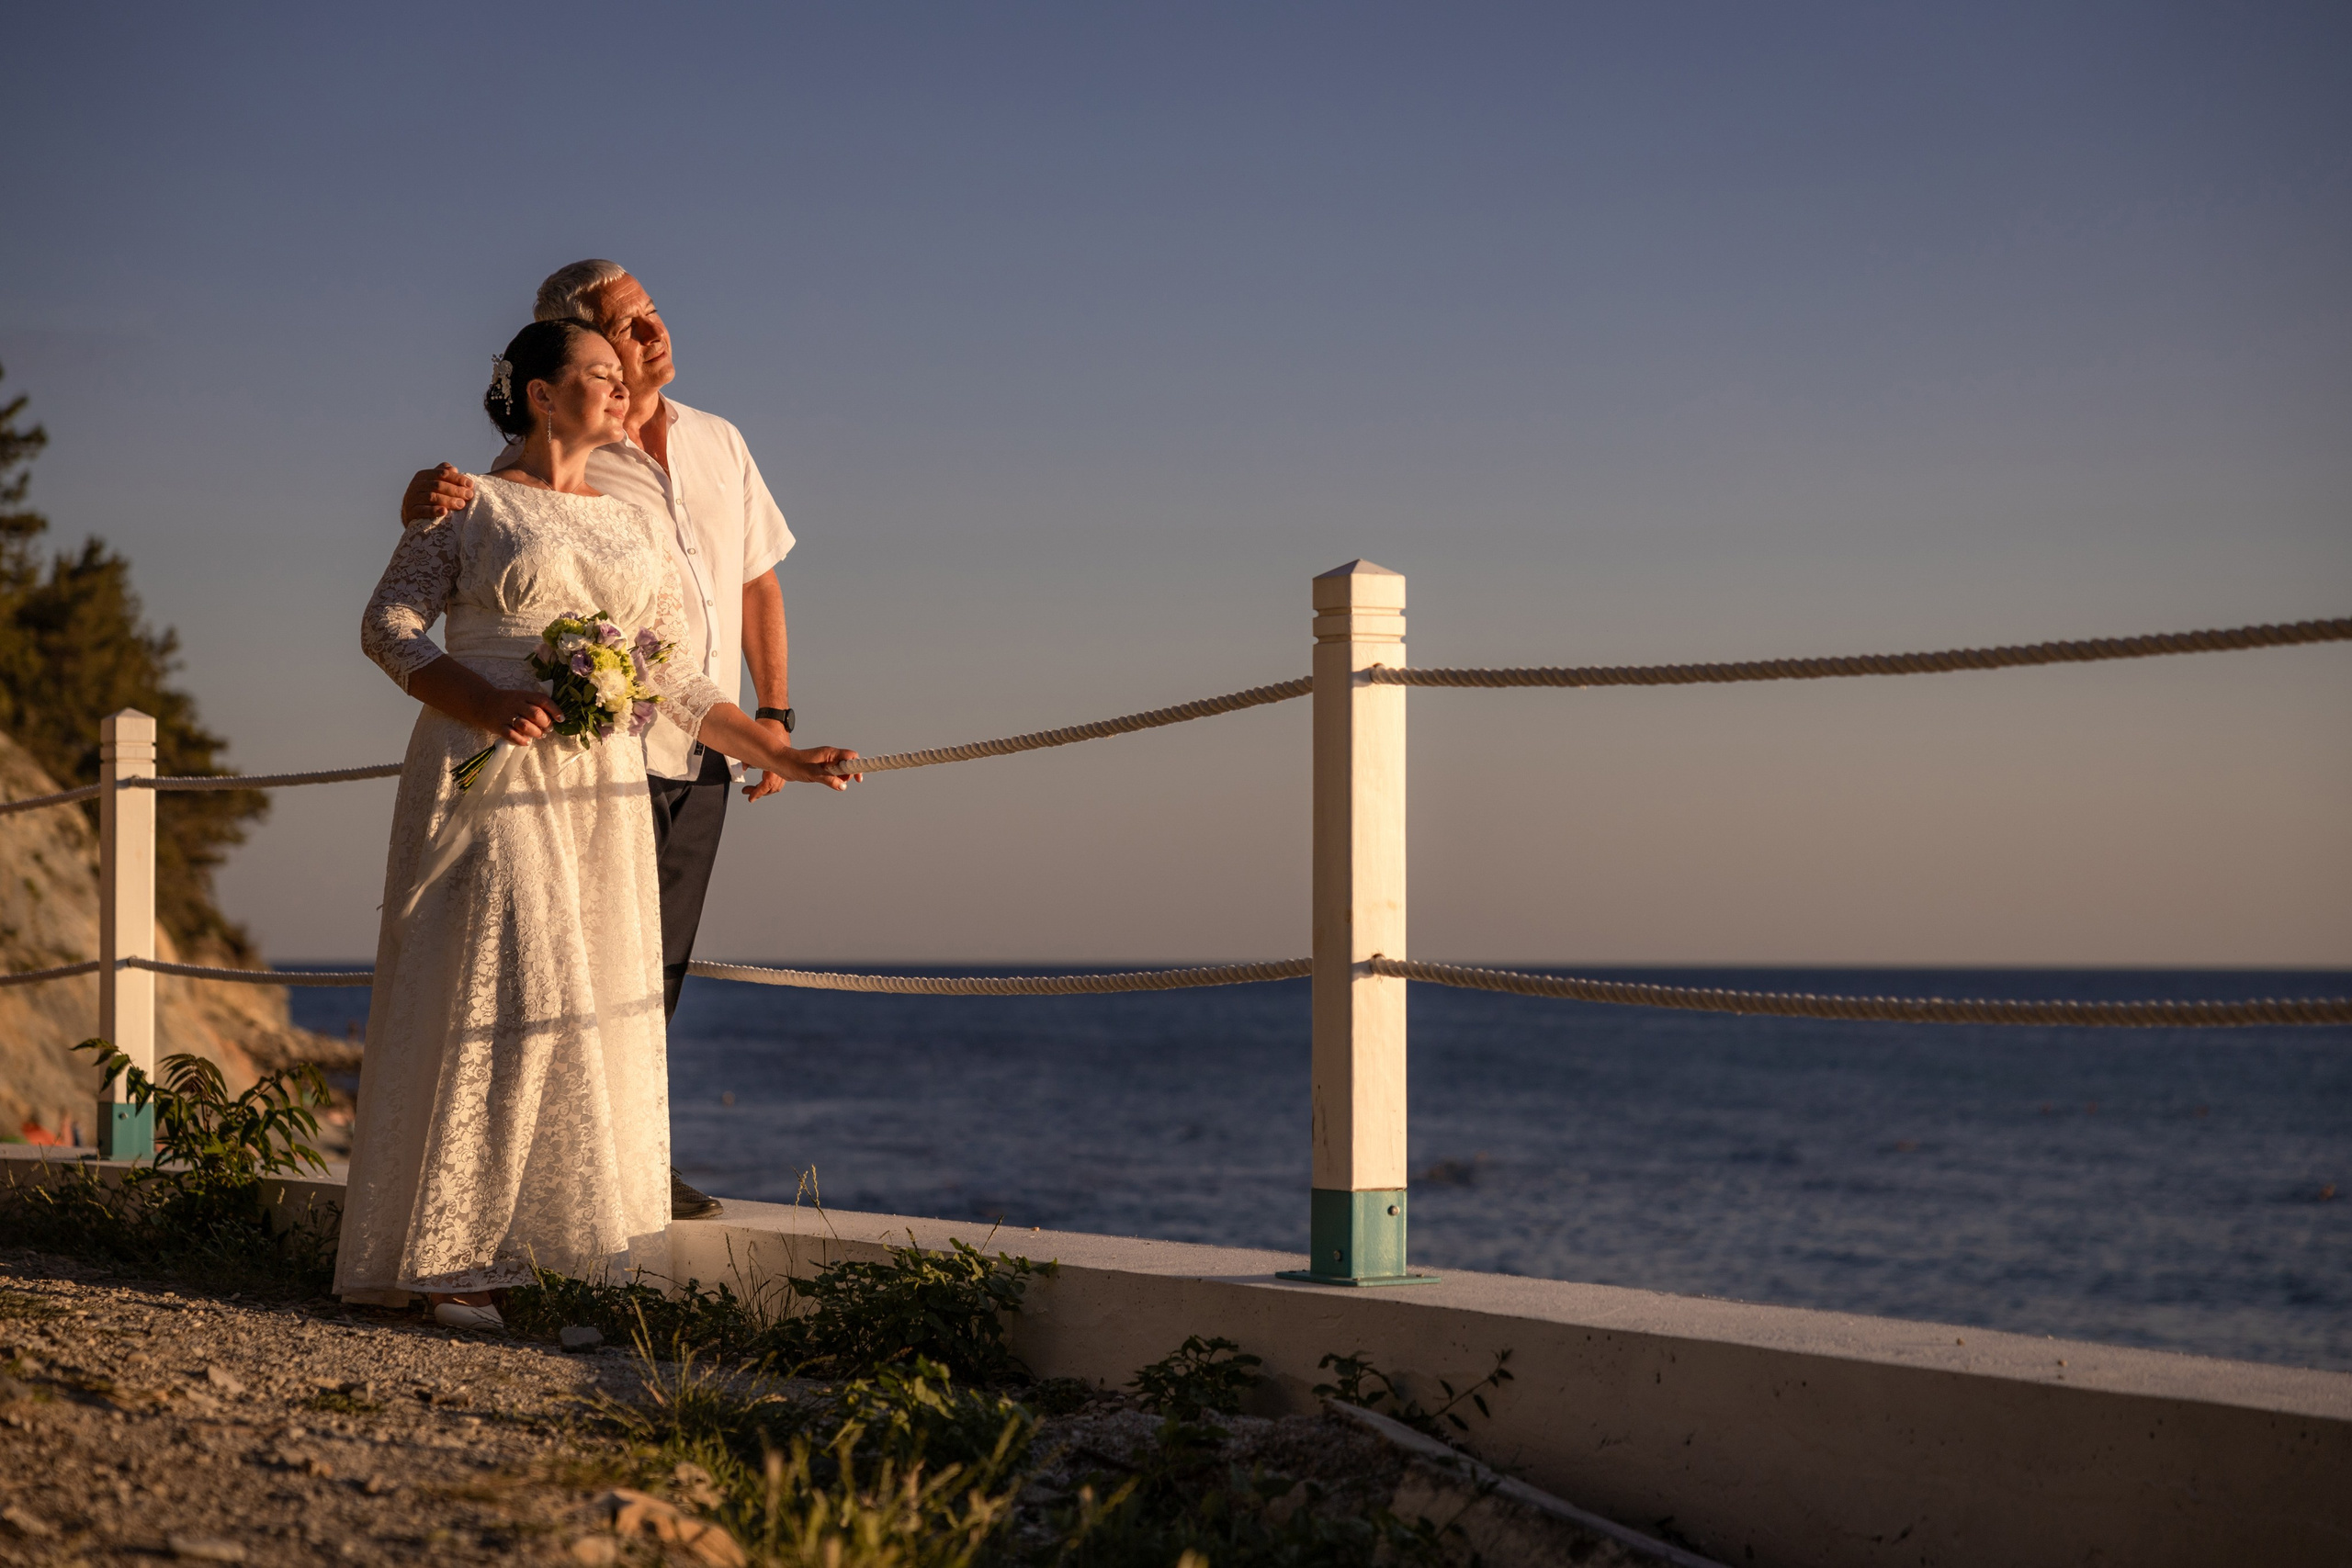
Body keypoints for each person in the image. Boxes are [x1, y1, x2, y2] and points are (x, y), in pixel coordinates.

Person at [340, 319, 857, 1327]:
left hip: (599, 793)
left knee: (580, 1006)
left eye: (625, 378)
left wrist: (778, 750)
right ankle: (453, 1258)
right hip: (487, 769)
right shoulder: (470, 504)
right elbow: (385, 625)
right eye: (599, 375)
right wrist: (478, 701)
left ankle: (553, 1256)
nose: (623, 390)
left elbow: (673, 678)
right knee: (507, 981)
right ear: (539, 392)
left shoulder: (637, 531)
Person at [402, 261, 797, 1222]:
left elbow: (755, 583)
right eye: (627, 327)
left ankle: (629, 1158)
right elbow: (471, 533)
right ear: (577, 354)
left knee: (651, 966)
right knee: (558, 959)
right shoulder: (568, 450)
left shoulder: (720, 439)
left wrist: (774, 726)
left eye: (654, 315)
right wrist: (421, 496)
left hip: (703, 740)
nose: (651, 338)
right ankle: (544, 1182)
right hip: (591, 756)